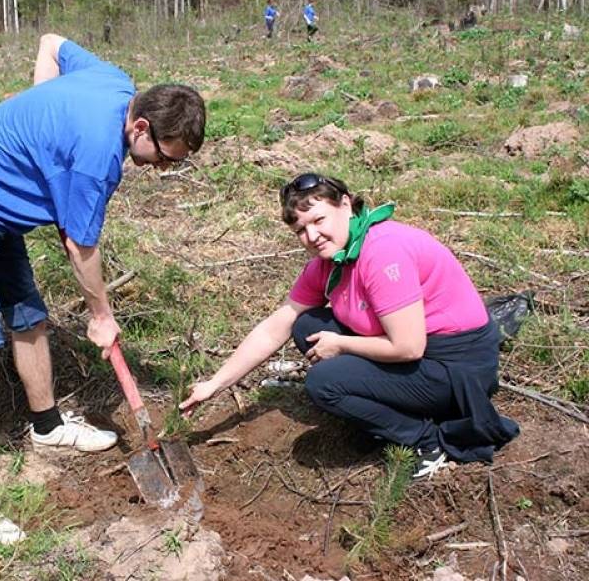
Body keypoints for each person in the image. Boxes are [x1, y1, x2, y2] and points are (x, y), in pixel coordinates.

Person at [0, 33, 206, 544]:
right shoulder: (97, 157)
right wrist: (102, 315)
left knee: (29, 318)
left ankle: (46, 426)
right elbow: (81, 248)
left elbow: (51, 42)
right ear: (140, 125)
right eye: (161, 158)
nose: (161, 170)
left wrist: (37, 111)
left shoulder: (115, 81)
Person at [179, 173, 519, 480]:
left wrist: (342, 346)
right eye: (300, 229)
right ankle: (384, 411)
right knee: (306, 324)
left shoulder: (382, 252)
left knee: (324, 383)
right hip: (419, 356)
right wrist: (215, 384)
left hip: (456, 369)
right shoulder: (332, 261)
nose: (312, 235)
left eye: (318, 219)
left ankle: (427, 442)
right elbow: (275, 327)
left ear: (346, 205)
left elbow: (408, 347)